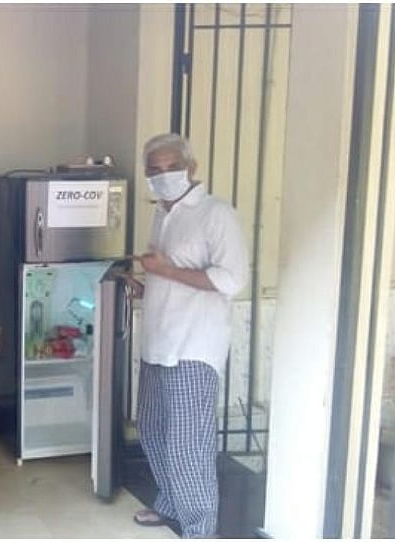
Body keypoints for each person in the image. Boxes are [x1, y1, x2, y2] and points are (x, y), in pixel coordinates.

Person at [121, 133, 248, 538]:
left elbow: (232, 280)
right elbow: (171, 276)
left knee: (188, 444)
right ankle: (172, 502)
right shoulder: (162, 214)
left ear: (191, 168)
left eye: (172, 167)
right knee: (153, 429)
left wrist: (164, 271)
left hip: (194, 347)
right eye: (154, 170)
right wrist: (144, 286)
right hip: (158, 343)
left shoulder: (216, 214)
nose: (163, 176)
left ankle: (199, 528)